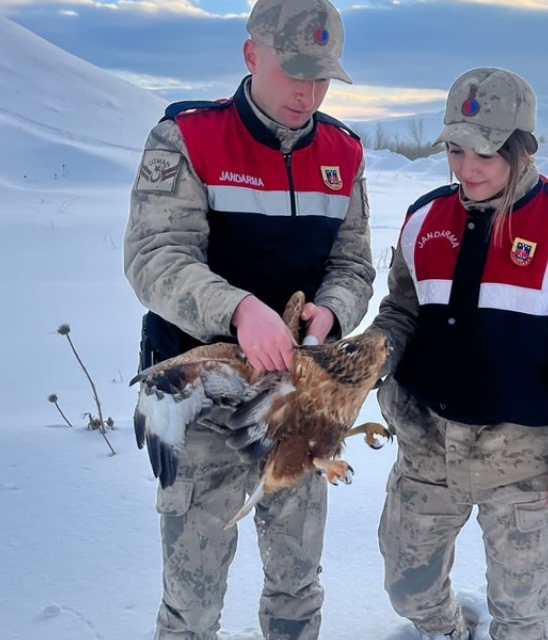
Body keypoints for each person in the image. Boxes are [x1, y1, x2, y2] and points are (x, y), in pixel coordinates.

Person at [121, 0, 375, 636]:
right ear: (251, 54)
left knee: (296, 584)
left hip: (296, 403)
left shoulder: (343, 151)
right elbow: (154, 258)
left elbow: (354, 266)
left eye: (322, 78)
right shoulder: (188, 137)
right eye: (295, 72)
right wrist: (237, 311)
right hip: (201, 399)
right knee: (193, 599)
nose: (308, 92)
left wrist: (330, 316)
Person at [369, 67, 548, 640]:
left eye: (484, 153)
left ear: (521, 148)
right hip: (428, 448)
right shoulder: (424, 218)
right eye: (455, 150)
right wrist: (367, 362)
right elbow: (401, 313)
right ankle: (448, 633)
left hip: (524, 463)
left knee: (520, 605)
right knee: (406, 584)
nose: (466, 169)